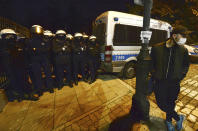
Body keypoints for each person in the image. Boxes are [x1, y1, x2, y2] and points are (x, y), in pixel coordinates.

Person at [150, 25, 190, 131]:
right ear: (174, 35)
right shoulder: (157, 48)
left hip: (174, 83)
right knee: (161, 103)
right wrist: (154, 74)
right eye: (183, 36)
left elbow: (186, 65)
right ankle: (178, 118)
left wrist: (181, 76)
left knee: (171, 103)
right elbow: (151, 64)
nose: (184, 39)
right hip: (160, 82)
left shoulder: (183, 50)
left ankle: (169, 121)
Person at [27, 25, 54, 97]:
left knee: (48, 73)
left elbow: (47, 49)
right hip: (35, 60)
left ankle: (50, 87)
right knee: (37, 75)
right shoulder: (30, 41)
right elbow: (30, 51)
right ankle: (40, 90)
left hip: (44, 59)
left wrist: (37, 50)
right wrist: (39, 51)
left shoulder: (44, 40)